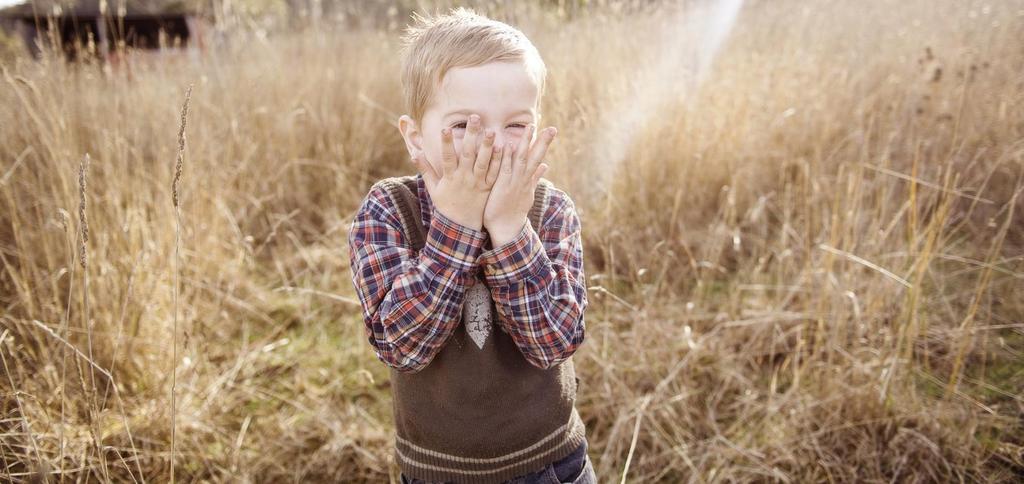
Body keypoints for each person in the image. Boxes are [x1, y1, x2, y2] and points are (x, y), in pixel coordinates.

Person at [347, 7, 596, 483]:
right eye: (463, 126)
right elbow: (403, 346)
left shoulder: (550, 210)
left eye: (516, 125)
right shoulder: (388, 211)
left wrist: (510, 230)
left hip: (551, 464)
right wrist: (456, 227)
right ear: (415, 137)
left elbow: (555, 343)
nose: (493, 145)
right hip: (438, 472)